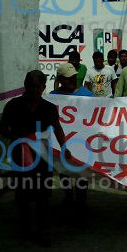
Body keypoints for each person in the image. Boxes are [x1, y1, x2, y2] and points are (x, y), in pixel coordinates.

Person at [0, 71, 72, 247]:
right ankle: (24, 227)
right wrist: (17, 138)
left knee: (43, 195)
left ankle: (42, 230)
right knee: (23, 193)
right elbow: (2, 128)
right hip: (20, 155)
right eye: (30, 85)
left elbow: (57, 129)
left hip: (42, 156)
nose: (33, 89)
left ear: (43, 88)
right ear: (25, 85)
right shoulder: (13, 105)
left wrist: (64, 148)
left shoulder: (48, 108)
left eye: (37, 86)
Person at [49, 64, 92, 216]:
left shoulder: (86, 94)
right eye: (68, 79)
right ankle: (68, 198)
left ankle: (81, 201)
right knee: (64, 171)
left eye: (74, 77)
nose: (72, 80)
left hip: (82, 141)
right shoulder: (53, 96)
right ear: (60, 79)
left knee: (82, 172)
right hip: (62, 142)